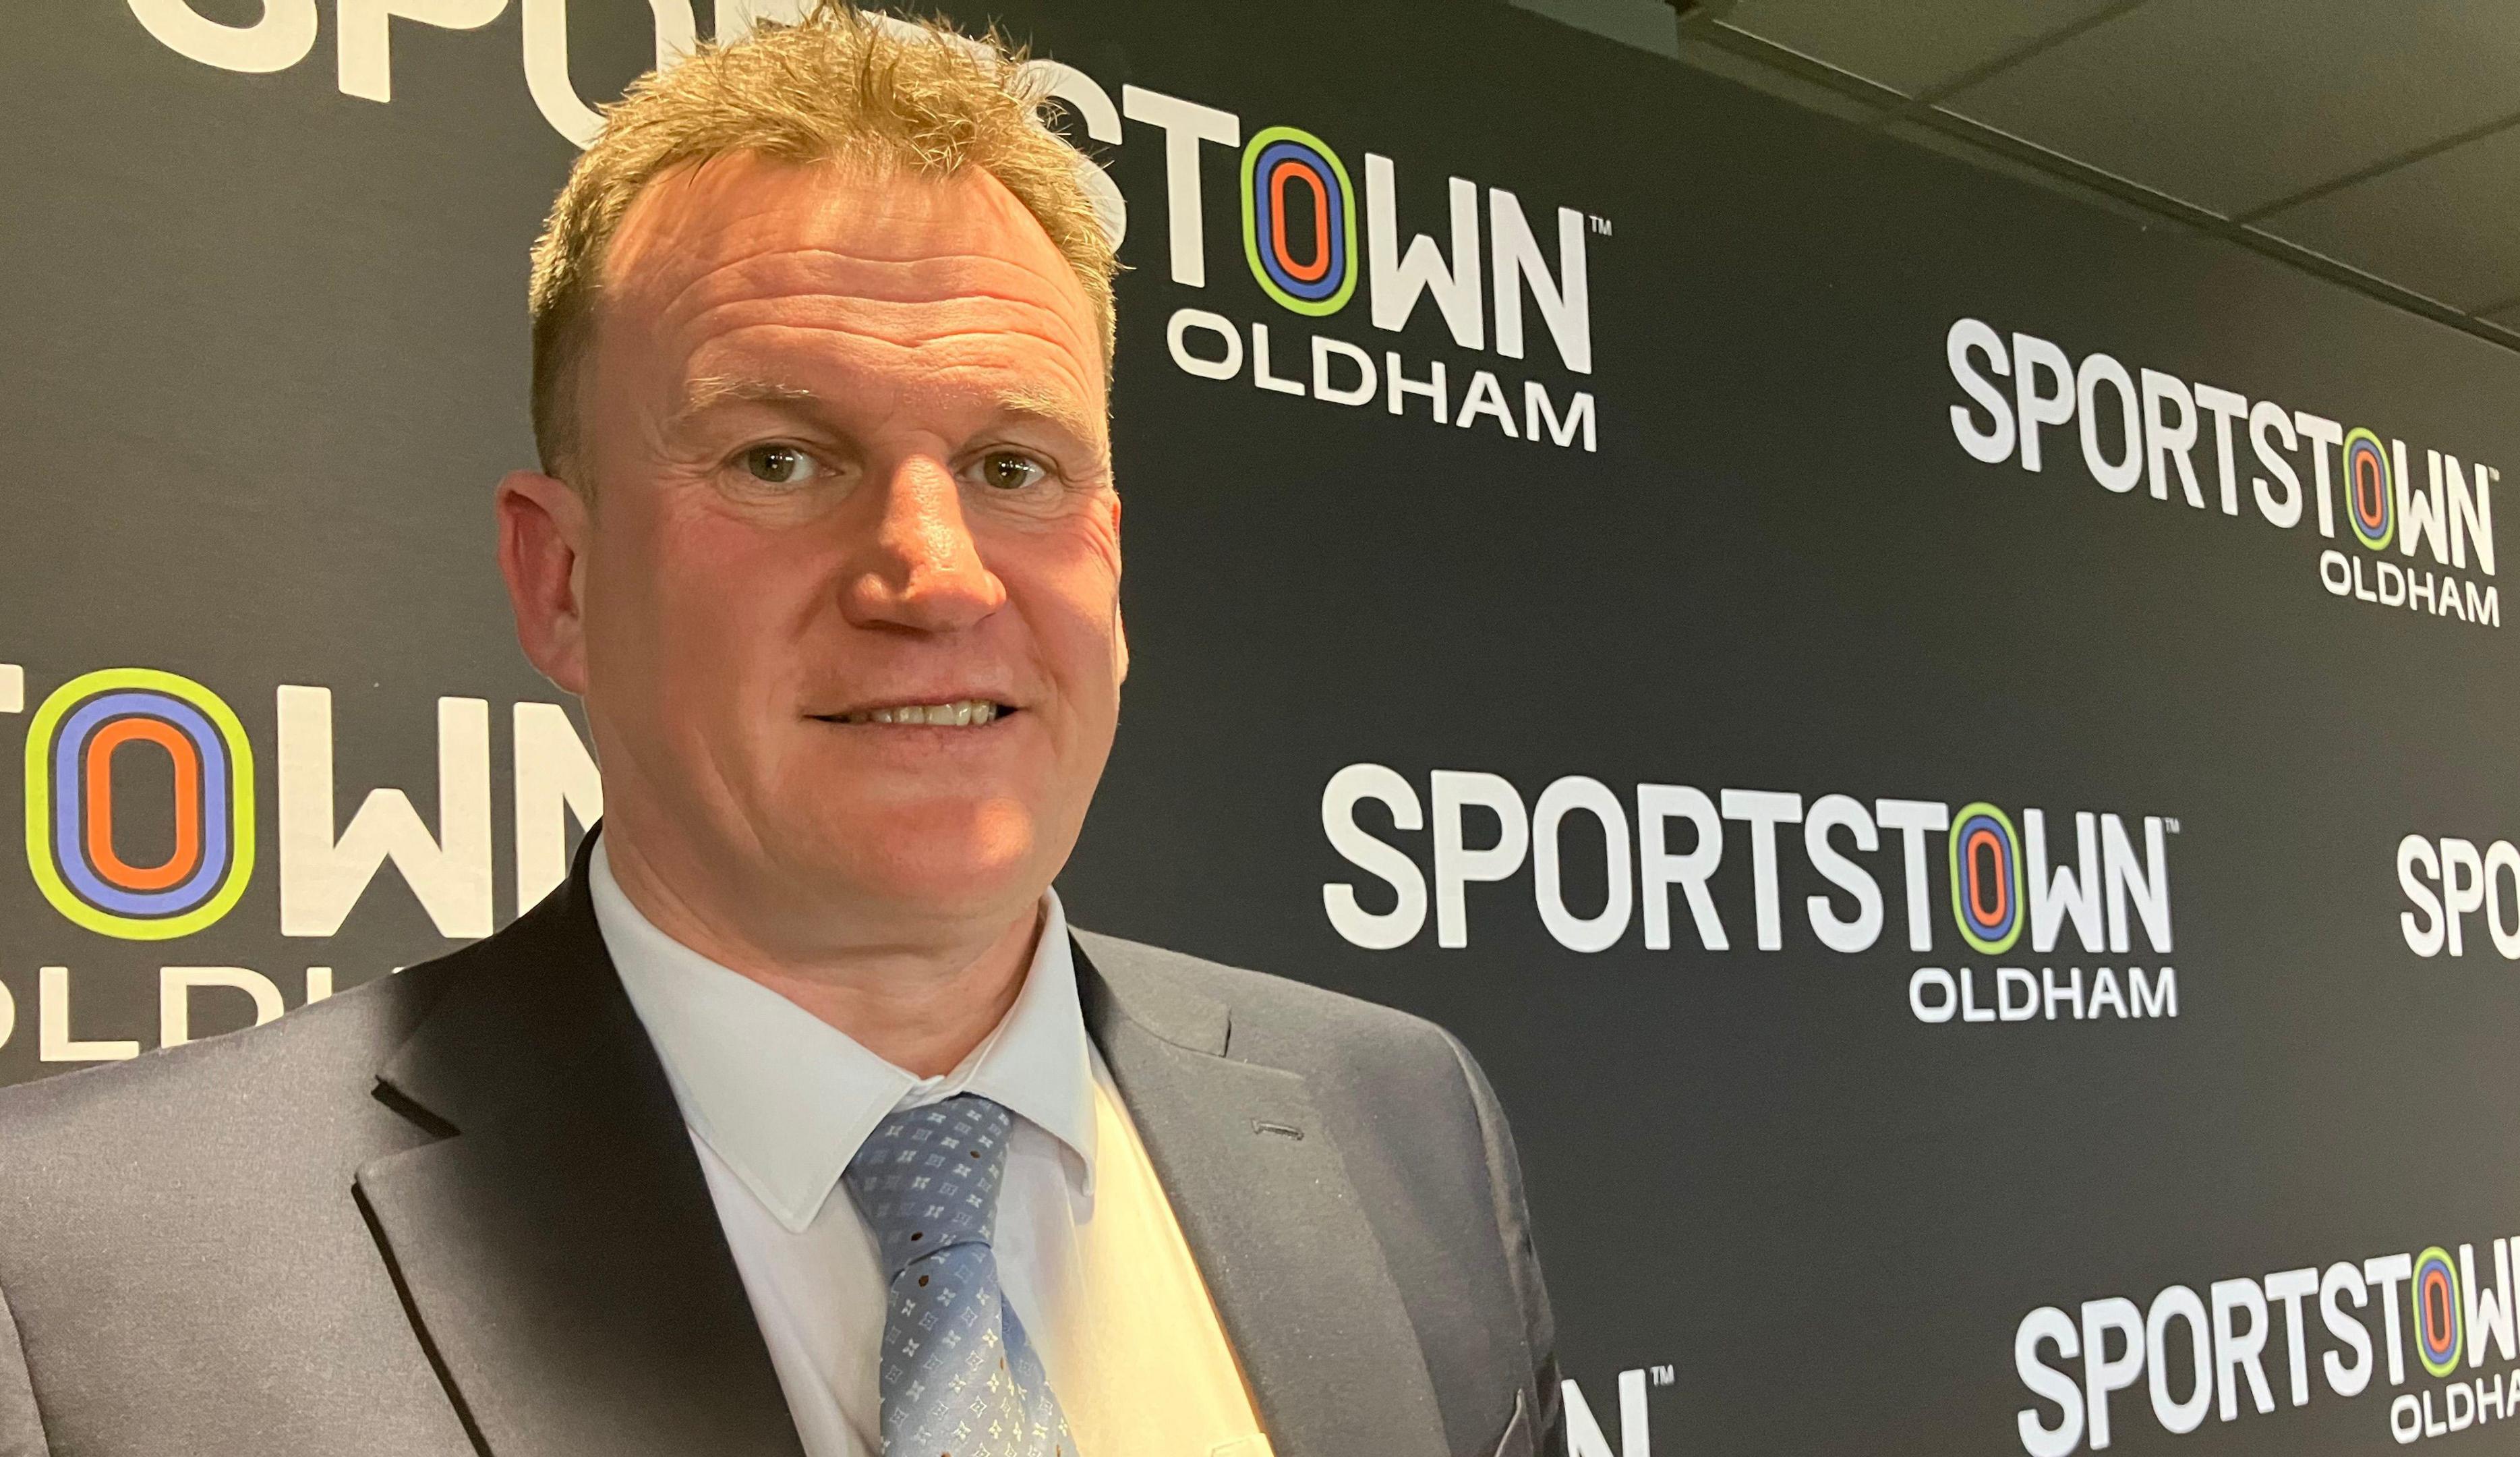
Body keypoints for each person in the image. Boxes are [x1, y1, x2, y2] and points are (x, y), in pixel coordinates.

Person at [0, 11, 1558, 1457]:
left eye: (1017, 468)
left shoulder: (1404, 1125)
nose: (936, 573)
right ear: (561, 580)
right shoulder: (69, 1272)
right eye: (781, 460)